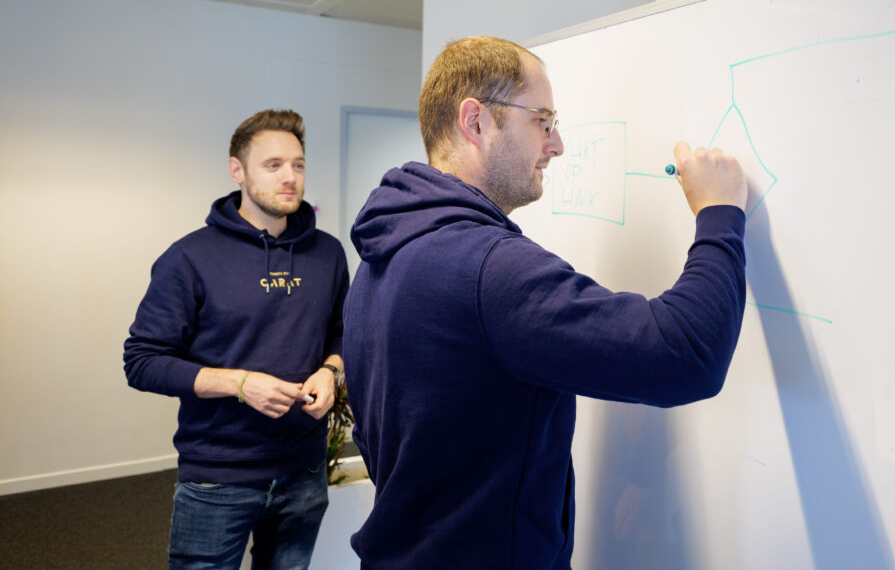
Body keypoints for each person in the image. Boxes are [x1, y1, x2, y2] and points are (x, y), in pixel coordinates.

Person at [343, 36, 748, 569]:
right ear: (476, 122)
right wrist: (719, 213)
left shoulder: (381, 257)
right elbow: (687, 354)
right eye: (543, 120)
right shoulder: (489, 267)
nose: (556, 145)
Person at [123, 109, 349, 569]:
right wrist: (241, 383)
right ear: (237, 170)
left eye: (298, 164)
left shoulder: (328, 252)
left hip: (304, 471)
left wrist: (330, 370)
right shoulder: (189, 257)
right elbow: (142, 361)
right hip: (219, 477)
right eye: (273, 165)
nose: (290, 177)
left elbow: (344, 333)